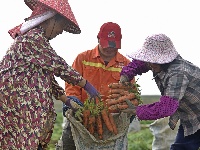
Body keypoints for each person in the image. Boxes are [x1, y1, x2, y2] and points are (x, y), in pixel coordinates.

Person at [0, 0, 100, 149]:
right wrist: (87, 86)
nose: (61, 31)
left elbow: (47, 77)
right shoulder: (33, 38)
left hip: (24, 114)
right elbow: (59, 65)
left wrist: (66, 100)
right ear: (51, 19)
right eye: (61, 26)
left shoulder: (36, 42)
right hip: (19, 112)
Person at [55, 22, 139, 150]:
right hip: (83, 117)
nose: (110, 48)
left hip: (112, 121)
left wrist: (129, 108)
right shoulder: (83, 58)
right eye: (107, 44)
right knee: (69, 145)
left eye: (114, 45)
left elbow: (130, 92)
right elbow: (72, 85)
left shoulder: (126, 65)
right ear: (98, 38)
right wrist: (74, 102)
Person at [120, 33, 200, 150]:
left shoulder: (177, 73)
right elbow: (141, 63)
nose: (150, 64)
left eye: (153, 61)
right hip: (191, 117)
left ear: (164, 60)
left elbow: (166, 107)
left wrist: (137, 110)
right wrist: (126, 74)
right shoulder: (156, 63)